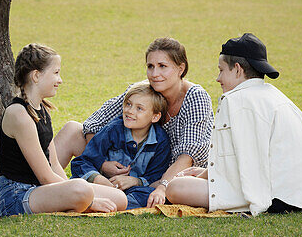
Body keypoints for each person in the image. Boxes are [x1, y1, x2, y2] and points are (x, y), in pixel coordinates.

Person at [165, 33, 302, 216]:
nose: (218, 78)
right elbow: (243, 155)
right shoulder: (274, 95)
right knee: (189, 181)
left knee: (176, 187)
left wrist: (204, 177)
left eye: (221, 70)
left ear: (237, 69)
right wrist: (205, 173)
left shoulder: (236, 100)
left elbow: (247, 162)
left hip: (275, 197)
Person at [0, 43, 124, 217]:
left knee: (119, 198)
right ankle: (0, 205)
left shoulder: (42, 109)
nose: (60, 80)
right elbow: (45, 177)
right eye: (56, 73)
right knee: (81, 188)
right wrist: (90, 200)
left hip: (40, 191)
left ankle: (76, 199)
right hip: (18, 196)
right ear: (36, 76)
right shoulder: (19, 114)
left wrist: (72, 190)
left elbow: (55, 165)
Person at [54, 37, 213, 208]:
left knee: (149, 192)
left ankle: (88, 195)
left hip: (166, 176)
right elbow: (94, 124)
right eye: (150, 66)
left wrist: (161, 187)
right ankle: (41, 185)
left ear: (180, 69)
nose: (154, 74)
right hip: (128, 162)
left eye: (162, 66)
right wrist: (103, 164)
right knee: (72, 130)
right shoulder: (144, 91)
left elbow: (187, 158)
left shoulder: (195, 97)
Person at [68, 81, 172, 208]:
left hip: (133, 190)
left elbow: (156, 175)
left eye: (139, 108)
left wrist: (135, 181)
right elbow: (82, 162)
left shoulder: (160, 141)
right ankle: (99, 201)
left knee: (149, 195)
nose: (130, 111)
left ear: (155, 117)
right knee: (80, 183)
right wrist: (98, 179)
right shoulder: (113, 130)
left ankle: (104, 203)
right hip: (103, 185)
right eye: (128, 104)